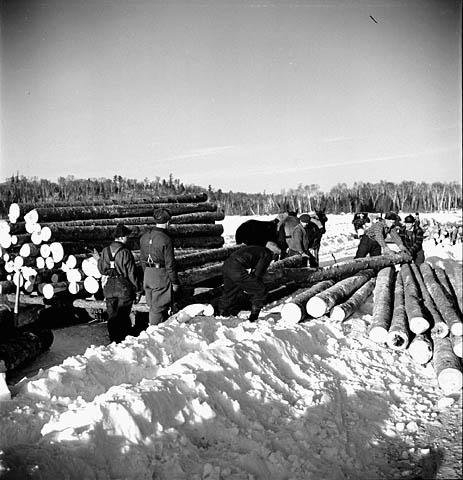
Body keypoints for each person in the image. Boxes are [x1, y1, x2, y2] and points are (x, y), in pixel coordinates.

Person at [97, 223, 141, 343]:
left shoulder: (105, 251)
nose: (128, 239)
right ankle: (121, 340)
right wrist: (137, 289)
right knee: (123, 315)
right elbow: (131, 272)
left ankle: (113, 340)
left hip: (109, 286)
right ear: (121, 238)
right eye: (127, 236)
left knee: (112, 316)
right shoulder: (125, 252)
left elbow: (101, 269)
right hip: (123, 286)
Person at [217, 241, 281, 321]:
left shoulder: (257, 249)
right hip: (237, 269)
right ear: (274, 253)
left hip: (227, 266)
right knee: (260, 289)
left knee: (231, 291)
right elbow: (258, 274)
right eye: (276, 256)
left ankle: (221, 312)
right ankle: (254, 316)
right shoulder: (267, 254)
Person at [139, 208, 180, 325]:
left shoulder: (144, 236)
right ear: (168, 222)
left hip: (147, 273)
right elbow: (170, 264)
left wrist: (147, 273)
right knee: (158, 309)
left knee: (152, 305)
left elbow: (142, 259)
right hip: (161, 275)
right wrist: (175, 282)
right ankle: (155, 332)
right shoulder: (166, 239)